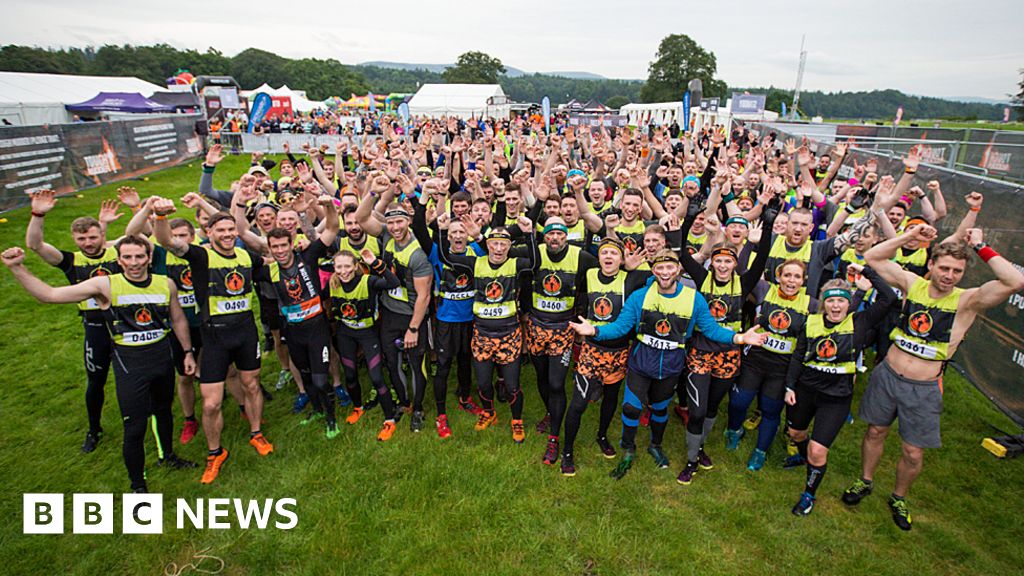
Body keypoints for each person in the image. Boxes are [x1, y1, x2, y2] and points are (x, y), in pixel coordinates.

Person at [842, 222, 1024, 530]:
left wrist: (980, 246)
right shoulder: (913, 284)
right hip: (887, 375)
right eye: (944, 268)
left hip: (923, 387)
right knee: (875, 432)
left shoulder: (968, 301)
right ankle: (865, 480)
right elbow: (873, 257)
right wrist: (911, 236)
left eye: (956, 271)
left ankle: (899, 496)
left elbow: (1015, 280)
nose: (949, 276)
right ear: (931, 265)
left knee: (913, 451)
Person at [3, 238, 197, 493]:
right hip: (131, 366)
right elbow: (49, 295)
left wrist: (187, 352)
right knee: (135, 427)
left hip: (162, 359)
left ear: (149, 258)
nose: (134, 263)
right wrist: (17, 268)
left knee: (163, 411)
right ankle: (138, 486)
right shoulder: (104, 285)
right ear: (119, 260)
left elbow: (178, 319)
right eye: (127, 258)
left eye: (140, 257)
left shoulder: (166, 284)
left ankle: (167, 456)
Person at [570, 249, 767, 480]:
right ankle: (628, 448)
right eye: (660, 268)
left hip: (671, 367)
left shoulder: (693, 298)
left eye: (670, 267)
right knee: (631, 408)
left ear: (678, 269)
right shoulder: (639, 296)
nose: (665, 272)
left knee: (659, 408)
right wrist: (595, 330)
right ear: (653, 270)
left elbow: (711, 329)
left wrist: (740, 338)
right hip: (641, 364)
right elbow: (621, 327)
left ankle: (656, 445)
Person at [152, 199, 273, 485]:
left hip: (245, 331)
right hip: (214, 337)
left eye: (231, 229)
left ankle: (256, 432)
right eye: (221, 230)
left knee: (251, 385)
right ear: (209, 232)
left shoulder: (245, 257)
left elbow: (270, 263)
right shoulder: (200, 256)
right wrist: (159, 215)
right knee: (211, 404)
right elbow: (167, 240)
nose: (228, 234)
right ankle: (215, 452)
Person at [784, 265, 896, 515]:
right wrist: (789, 386)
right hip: (805, 390)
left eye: (841, 301)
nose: (836, 306)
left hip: (835, 399)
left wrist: (868, 272)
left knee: (818, 449)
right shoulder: (811, 322)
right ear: (824, 303)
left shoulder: (859, 322)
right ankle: (804, 458)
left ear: (849, 304)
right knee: (796, 434)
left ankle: (808, 495)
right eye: (831, 301)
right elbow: (798, 356)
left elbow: (889, 297)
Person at [234, 188, 342, 438]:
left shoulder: (308, 254)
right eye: (275, 247)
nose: (280, 251)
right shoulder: (267, 271)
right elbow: (242, 237)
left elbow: (333, 229)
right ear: (269, 248)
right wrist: (240, 204)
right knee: (304, 376)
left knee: (320, 379)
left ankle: (331, 420)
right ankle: (316, 410)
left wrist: (329, 207)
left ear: (291, 243)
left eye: (284, 245)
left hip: (316, 329)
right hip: (293, 332)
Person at [24, 189, 122, 453]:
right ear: (74, 239)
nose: (88, 243)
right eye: (82, 238)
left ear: (102, 234)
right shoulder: (71, 261)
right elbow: (36, 245)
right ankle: (94, 429)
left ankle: (139, 419)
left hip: (125, 325)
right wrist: (38, 215)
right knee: (96, 381)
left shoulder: (118, 253)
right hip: (95, 328)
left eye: (92, 236)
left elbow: (141, 237)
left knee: (133, 378)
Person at [440, 218, 538, 443]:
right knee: (483, 383)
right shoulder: (476, 263)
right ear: (488, 244)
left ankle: (517, 421)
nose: (499, 248)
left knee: (512, 386)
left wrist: (530, 233)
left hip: (509, 333)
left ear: (509, 246)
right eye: (494, 243)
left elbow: (535, 263)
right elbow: (446, 257)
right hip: (482, 333)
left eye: (504, 244)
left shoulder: (515, 264)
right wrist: (441, 228)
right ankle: (489, 412)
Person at [559, 238, 646, 476]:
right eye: (604, 252)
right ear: (598, 257)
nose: (608, 257)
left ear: (622, 259)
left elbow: (662, 275)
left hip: (618, 352)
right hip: (591, 350)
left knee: (610, 399)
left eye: (614, 254)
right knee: (578, 403)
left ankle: (602, 435)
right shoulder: (587, 274)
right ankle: (567, 451)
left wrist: (634, 268)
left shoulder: (631, 279)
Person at [355, 175, 434, 432]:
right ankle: (403, 402)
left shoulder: (418, 253)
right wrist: (373, 193)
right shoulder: (387, 237)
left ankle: (418, 407)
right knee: (391, 360)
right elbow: (362, 218)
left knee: (415, 364)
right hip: (389, 314)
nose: (395, 227)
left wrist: (413, 328)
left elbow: (424, 296)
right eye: (390, 222)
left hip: (412, 316)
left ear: (408, 222)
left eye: (400, 221)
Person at [329, 249, 401, 440]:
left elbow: (394, 282)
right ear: (334, 268)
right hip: (346, 333)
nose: (343, 271)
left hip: (368, 334)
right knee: (350, 375)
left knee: (377, 378)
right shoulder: (333, 282)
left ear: (355, 266)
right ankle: (358, 407)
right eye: (339, 267)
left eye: (347, 266)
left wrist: (375, 263)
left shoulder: (368, 281)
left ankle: (389, 420)